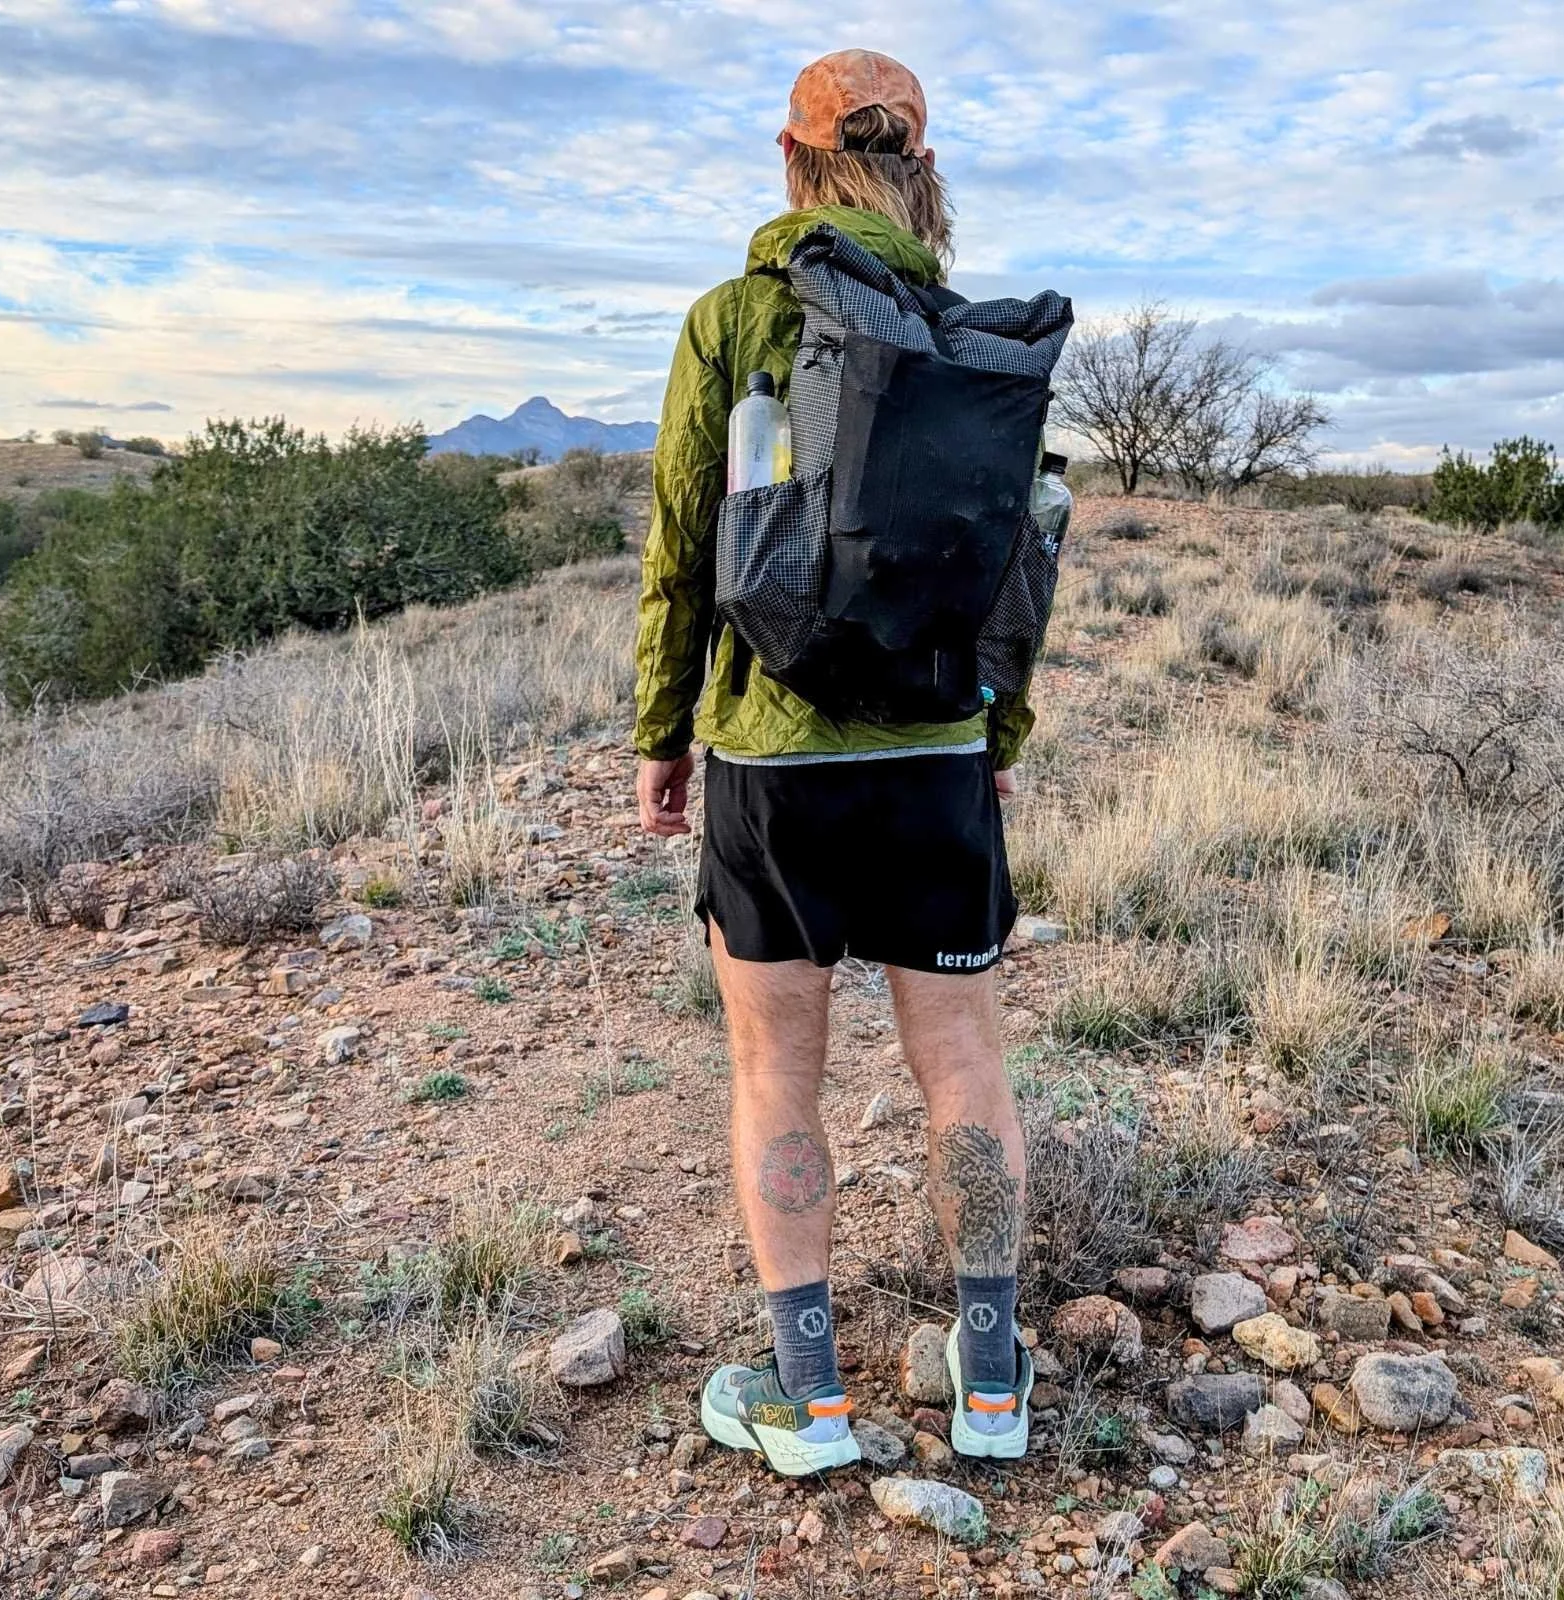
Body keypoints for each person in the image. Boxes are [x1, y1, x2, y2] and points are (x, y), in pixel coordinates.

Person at [633, 48, 1036, 1477]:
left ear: (795, 160)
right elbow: (1012, 560)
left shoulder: (732, 318)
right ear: (923, 166)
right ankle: (990, 1387)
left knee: (775, 1077)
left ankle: (809, 1404)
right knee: (964, 1068)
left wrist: (662, 734)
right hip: (935, 754)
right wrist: (999, 735)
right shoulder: (967, 331)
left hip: (769, 764)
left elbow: (684, 547)